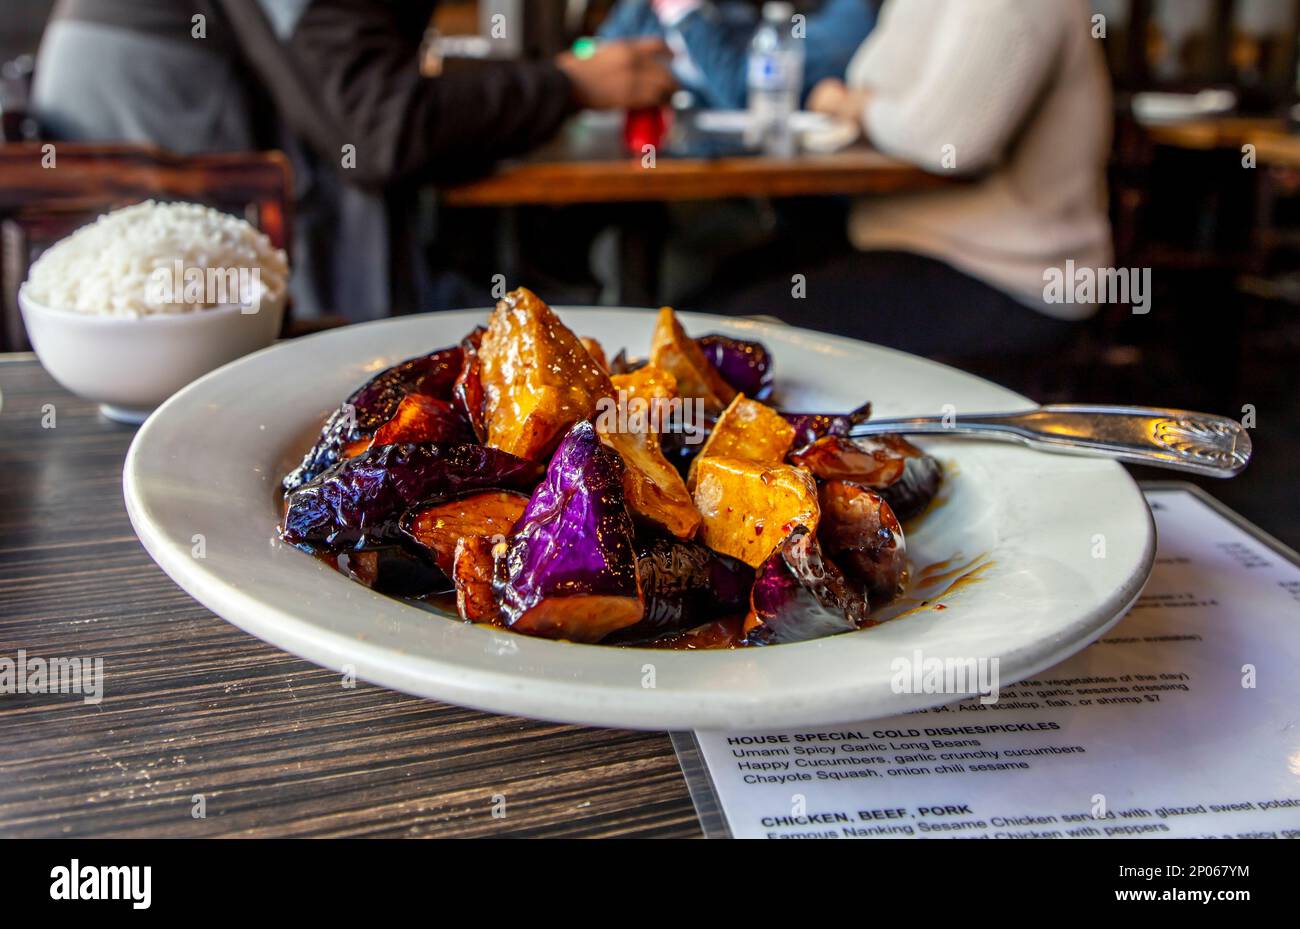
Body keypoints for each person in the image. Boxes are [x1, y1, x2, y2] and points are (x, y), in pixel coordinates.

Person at [33, 0, 676, 320]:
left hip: (119, 106)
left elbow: (369, 92)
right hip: (152, 121)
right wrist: (566, 85)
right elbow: (378, 127)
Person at [695, 0, 1113, 359]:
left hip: (1011, 278)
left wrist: (853, 106)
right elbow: (884, 96)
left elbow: (951, 140)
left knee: (734, 333)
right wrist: (869, 107)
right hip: (906, 244)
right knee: (703, 301)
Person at [598, 0, 875, 109]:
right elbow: (600, 63)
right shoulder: (642, 11)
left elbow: (747, 92)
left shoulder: (850, 17)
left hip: (791, 194)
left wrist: (684, 13)